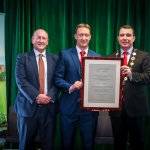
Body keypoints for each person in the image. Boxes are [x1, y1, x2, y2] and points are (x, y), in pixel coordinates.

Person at [54, 23, 101, 150]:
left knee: (88, 145)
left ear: (90, 37)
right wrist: (70, 86)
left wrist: (100, 102)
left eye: (86, 35)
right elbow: (57, 79)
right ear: (75, 36)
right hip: (68, 109)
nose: (83, 38)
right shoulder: (65, 54)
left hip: (90, 111)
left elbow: (100, 84)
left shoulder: (98, 57)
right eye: (81, 35)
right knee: (67, 144)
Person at [13, 29, 60, 150]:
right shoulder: (22, 58)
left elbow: (58, 81)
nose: (41, 40)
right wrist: (37, 96)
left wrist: (49, 97)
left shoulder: (55, 59)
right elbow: (20, 80)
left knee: (48, 145)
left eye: (44, 38)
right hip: (27, 108)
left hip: (49, 108)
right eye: (38, 37)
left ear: (47, 42)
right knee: (26, 144)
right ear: (32, 40)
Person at [107, 25, 150, 150]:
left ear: (134, 38)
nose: (125, 38)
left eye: (128, 35)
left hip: (137, 109)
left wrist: (132, 74)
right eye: (122, 35)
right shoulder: (110, 57)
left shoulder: (144, 56)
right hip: (116, 110)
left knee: (137, 144)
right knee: (118, 145)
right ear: (117, 38)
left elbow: (148, 77)